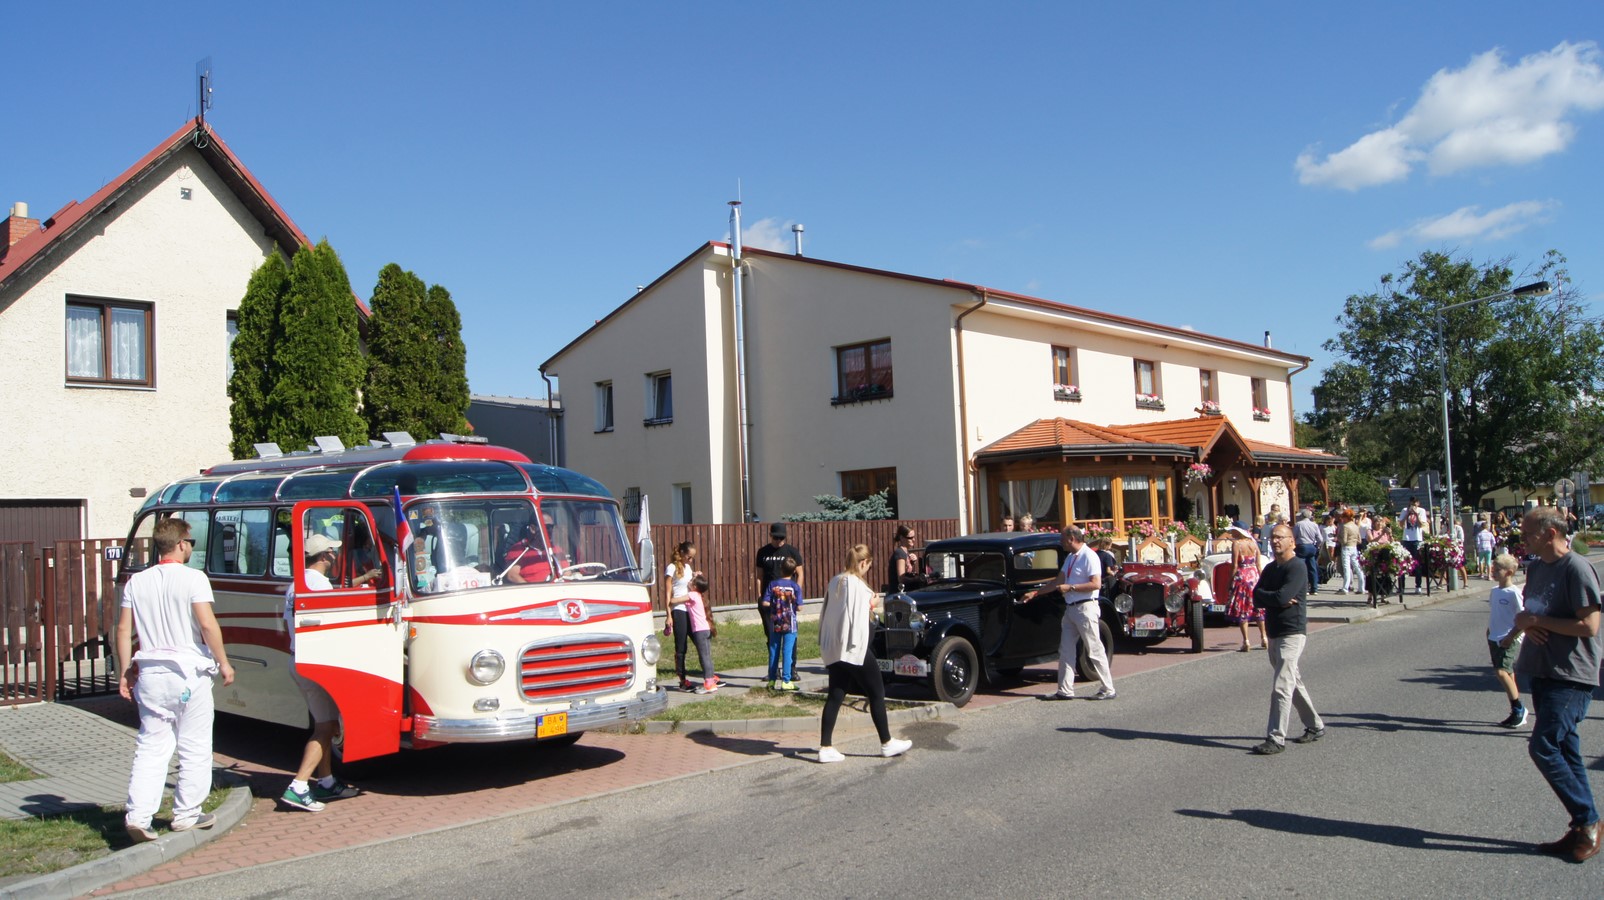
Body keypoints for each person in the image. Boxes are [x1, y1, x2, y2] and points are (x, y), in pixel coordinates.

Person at [116, 517, 235, 842]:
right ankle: (186, 814)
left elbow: (124, 629)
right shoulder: (194, 578)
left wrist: (125, 670)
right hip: (188, 672)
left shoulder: (136, 582)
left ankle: (138, 816)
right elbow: (207, 625)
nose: (191, 548)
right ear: (181, 544)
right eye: (191, 542)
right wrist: (224, 662)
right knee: (194, 745)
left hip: (150, 672)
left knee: (151, 745)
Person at [1508, 506, 1602, 861]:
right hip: (1542, 670)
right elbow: (1533, 613)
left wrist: (1536, 620)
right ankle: (1583, 829)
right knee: (1565, 750)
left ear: (1550, 533)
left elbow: (1590, 626)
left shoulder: (1576, 568)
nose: (1522, 538)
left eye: (1528, 533)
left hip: (1571, 674)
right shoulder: (1536, 568)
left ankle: (1588, 820)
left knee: (1543, 746)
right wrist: (1524, 623)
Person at [281, 533, 362, 812]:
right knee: (327, 728)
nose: (336, 555)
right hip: (315, 663)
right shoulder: (319, 584)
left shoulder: (296, 584)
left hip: (298, 658)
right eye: (333, 551)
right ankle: (299, 785)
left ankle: (326, 780)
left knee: (323, 724)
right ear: (325, 555)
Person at [816, 544, 911, 763]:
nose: (868, 569)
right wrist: (872, 604)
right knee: (877, 692)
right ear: (863, 563)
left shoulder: (835, 581)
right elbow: (861, 622)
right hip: (853, 648)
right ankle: (887, 742)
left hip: (834, 647)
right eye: (868, 565)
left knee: (836, 695)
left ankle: (825, 746)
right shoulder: (859, 586)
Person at [1250, 524, 1325, 755]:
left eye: (1280, 537)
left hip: (1292, 632)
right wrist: (1275, 598)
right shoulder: (1270, 568)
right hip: (1274, 632)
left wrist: (1274, 598)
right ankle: (1315, 725)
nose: (1275, 541)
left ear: (1292, 541)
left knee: (1281, 686)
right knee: (1293, 682)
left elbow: (1283, 596)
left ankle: (1276, 738)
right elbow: (1256, 596)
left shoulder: (1297, 566)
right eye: (1273, 537)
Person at [1023, 525, 1115, 702]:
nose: (1061, 542)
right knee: (1066, 650)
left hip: (1086, 607)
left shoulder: (1089, 556)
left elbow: (1096, 584)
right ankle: (1065, 690)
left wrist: (1071, 587)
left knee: (1094, 648)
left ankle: (1108, 688)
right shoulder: (1071, 557)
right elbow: (1058, 581)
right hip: (1071, 608)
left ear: (1072, 539)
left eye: (1063, 539)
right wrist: (1036, 593)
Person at [1486, 553, 1527, 729]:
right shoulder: (1495, 591)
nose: (1493, 572)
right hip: (1494, 636)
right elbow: (1495, 613)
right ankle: (1515, 708)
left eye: (1498, 570)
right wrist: (1489, 631)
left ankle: (1519, 708)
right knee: (1507, 672)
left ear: (1509, 572)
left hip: (1507, 638)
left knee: (1501, 671)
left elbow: (1522, 617)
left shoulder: (1514, 593)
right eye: (1493, 569)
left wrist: (1511, 636)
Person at [755, 523, 804, 639]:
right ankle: (772, 651)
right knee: (770, 632)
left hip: (787, 599)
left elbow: (800, 574)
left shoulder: (792, 552)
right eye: (776, 538)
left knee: (789, 631)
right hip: (769, 598)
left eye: (781, 538)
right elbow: (759, 576)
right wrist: (760, 596)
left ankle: (790, 651)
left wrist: (797, 593)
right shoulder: (762, 552)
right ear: (770, 535)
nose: (778, 541)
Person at [662, 540, 698, 692]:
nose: (691, 560)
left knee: (700, 640)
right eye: (689, 557)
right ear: (682, 553)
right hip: (678, 609)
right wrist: (668, 615)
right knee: (681, 646)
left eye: (692, 557)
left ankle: (709, 675)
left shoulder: (688, 568)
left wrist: (695, 576)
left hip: (690, 608)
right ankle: (682, 680)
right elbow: (668, 593)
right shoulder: (671, 568)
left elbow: (689, 586)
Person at [1224, 525, 1267, 652]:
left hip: (1242, 576)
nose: (1232, 534)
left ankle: (1246, 640)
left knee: (1243, 608)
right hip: (1254, 576)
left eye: (1233, 531)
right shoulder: (1253, 543)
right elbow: (1258, 564)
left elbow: (1234, 565)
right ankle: (1264, 637)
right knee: (1257, 608)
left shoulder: (1237, 544)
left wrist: (1229, 582)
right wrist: (1262, 579)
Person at [763, 558, 803, 690]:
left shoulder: (773, 584)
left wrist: (776, 603)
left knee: (774, 651)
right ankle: (786, 680)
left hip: (775, 622)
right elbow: (799, 607)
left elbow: (765, 602)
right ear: (794, 572)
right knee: (787, 651)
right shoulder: (795, 587)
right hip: (790, 623)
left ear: (781, 569)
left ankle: (772, 680)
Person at [686, 574, 721, 694]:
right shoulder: (699, 595)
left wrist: (670, 600)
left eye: (691, 581)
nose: (689, 582)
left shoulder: (692, 594)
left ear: (695, 586)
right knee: (706, 655)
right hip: (706, 629)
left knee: (704, 656)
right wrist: (696, 576)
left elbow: (676, 600)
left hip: (700, 631)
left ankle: (709, 683)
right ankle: (711, 678)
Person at [503, 518, 553, 584]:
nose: (550, 530)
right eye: (547, 527)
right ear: (533, 529)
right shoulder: (517, 550)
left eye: (552, 527)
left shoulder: (555, 550)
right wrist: (531, 588)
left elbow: (565, 573)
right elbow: (512, 575)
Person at [1402, 496, 1429, 594]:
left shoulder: (1421, 511)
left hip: (1417, 539)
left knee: (1417, 563)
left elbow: (1421, 525)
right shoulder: (1405, 510)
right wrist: (1407, 514)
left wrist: (1416, 514)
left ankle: (1418, 586)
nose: (1413, 505)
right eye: (1412, 503)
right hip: (1406, 539)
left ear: (1418, 503)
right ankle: (1402, 587)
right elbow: (1401, 524)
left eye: (1415, 503)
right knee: (1403, 563)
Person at [1292, 509, 1323, 595]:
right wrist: (1316, 546)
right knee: (1312, 567)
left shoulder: (1298, 524)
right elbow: (1320, 539)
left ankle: (1304, 588)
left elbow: (1293, 536)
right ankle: (1314, 588)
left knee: (1301, 567)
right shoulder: (1314, 525)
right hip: (1311, 546)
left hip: (1301, 546)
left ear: (1302, 516)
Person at [886, 524, 923, 593]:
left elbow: (905, 572)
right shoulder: (900, 553)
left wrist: (911, 563)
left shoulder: (905, 552)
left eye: (914, 537)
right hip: (898, 593)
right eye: (910, 538)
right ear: (902, 538)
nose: (913, 540)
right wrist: (917, 579)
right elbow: (901, 579)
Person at [1338, 509, 1365, 596]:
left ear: (1346, 517)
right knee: (1357, 567)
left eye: (1343, 517)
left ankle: (1345, 588)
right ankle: (1361, 587)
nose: (1342, 519)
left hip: (1346, 548)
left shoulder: (1345, 526)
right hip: (1354, 547)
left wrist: (1338, 538)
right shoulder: (1356, 526)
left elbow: (1344, 541)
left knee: (1346, 568)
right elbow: (1359, 540)